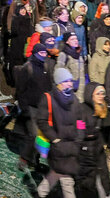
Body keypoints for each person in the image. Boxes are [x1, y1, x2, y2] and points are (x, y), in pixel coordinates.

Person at [35, 68, 85, 198]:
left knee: (57, 173)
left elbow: (80, 120)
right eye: (66, 81)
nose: (70, 84)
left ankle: (41, 192)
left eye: (70, 81)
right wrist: (54, 139)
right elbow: (42, 120)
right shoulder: (48, 99)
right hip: (58, 146)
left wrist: (80, 136)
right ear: (58, 83)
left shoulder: (74, 99)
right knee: (67, 180)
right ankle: (42, 192)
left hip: (72, 145)